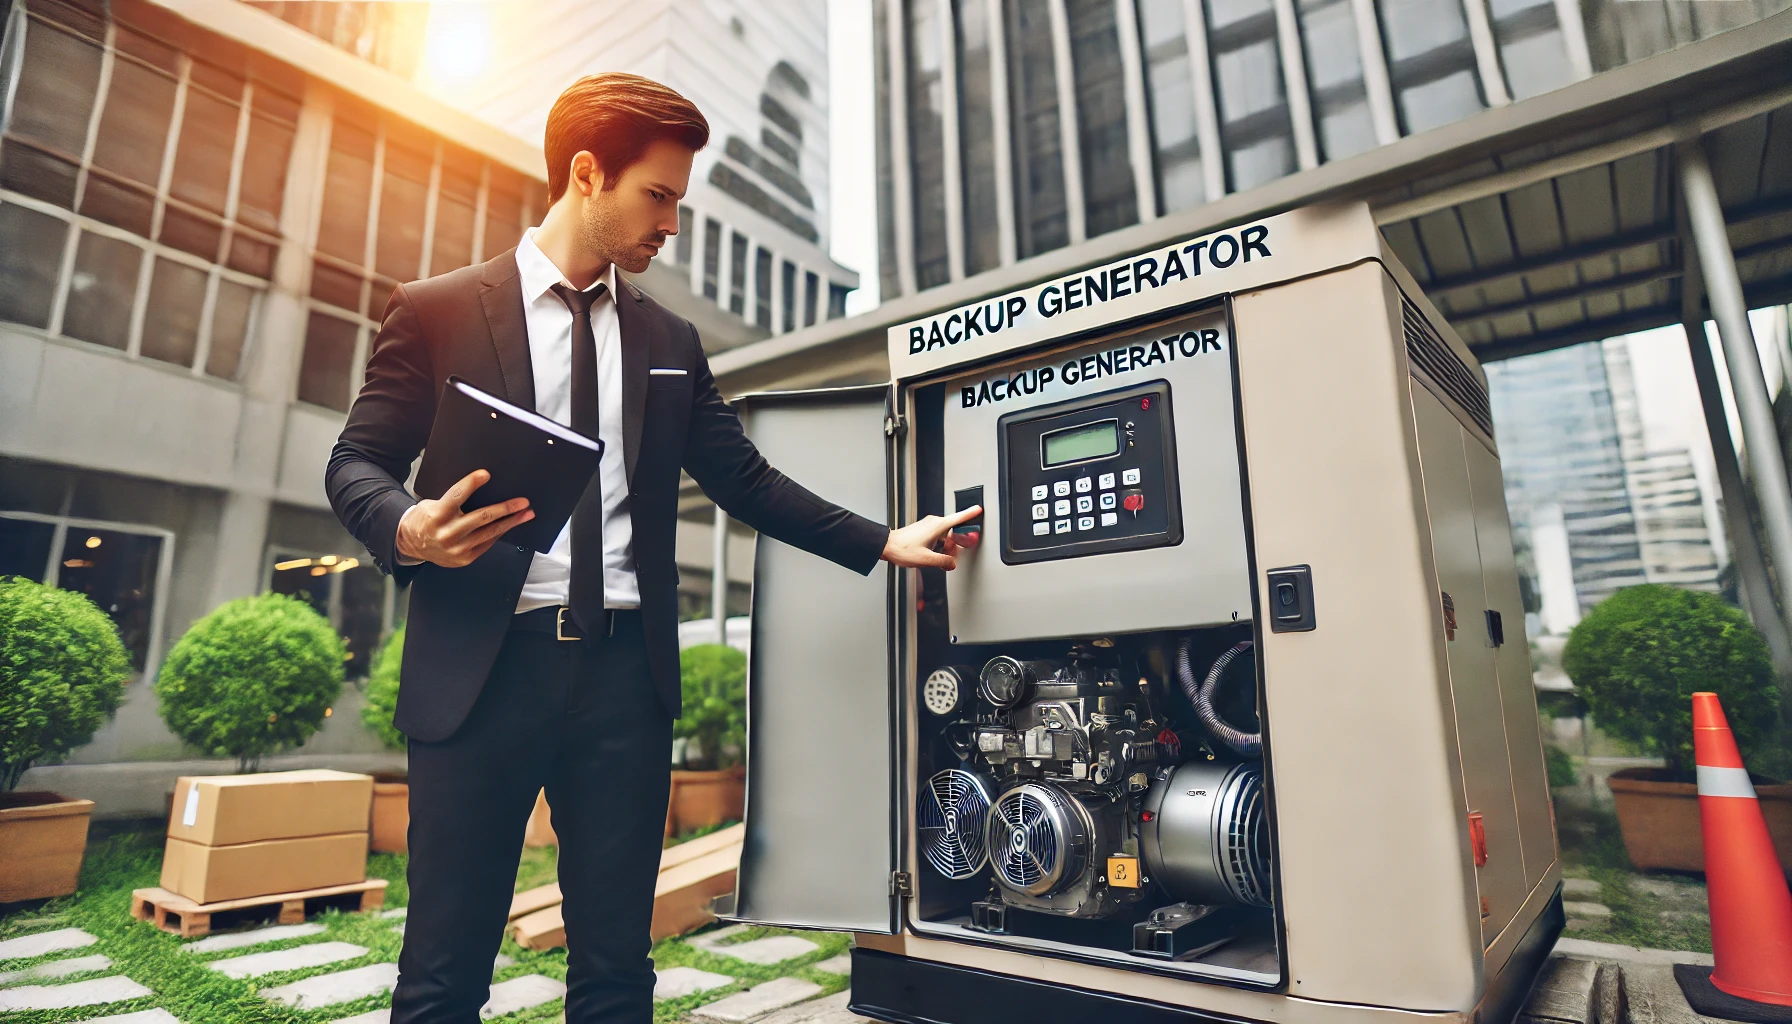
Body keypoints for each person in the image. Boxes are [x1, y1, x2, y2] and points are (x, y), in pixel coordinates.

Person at [325, 73, 978, 1024]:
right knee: (441, 974)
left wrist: (883, 540)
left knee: (619, 971)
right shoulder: (438, 310)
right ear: (587, 174)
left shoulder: (669, 339)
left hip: (623, 679)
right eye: (658, 196)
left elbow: (744, 480)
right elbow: (357, 463)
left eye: (678, 199)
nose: (670, 222)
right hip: (480, 674)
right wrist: (410, 528)